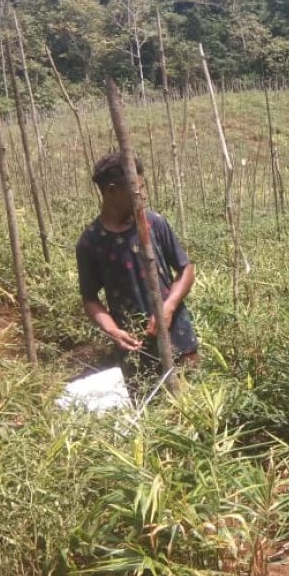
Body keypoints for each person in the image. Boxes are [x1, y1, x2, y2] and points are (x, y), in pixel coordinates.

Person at [76, 152, 197, 400]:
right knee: (151, 408)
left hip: (178, 336)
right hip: (136, 345)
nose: (143, 195)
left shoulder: (154, 223)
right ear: (111, 191)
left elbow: (186, 269)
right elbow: (90, 299)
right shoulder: (90, 243)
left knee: (193, 400)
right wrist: (113, 331)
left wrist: (169, 307)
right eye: (136, 189)